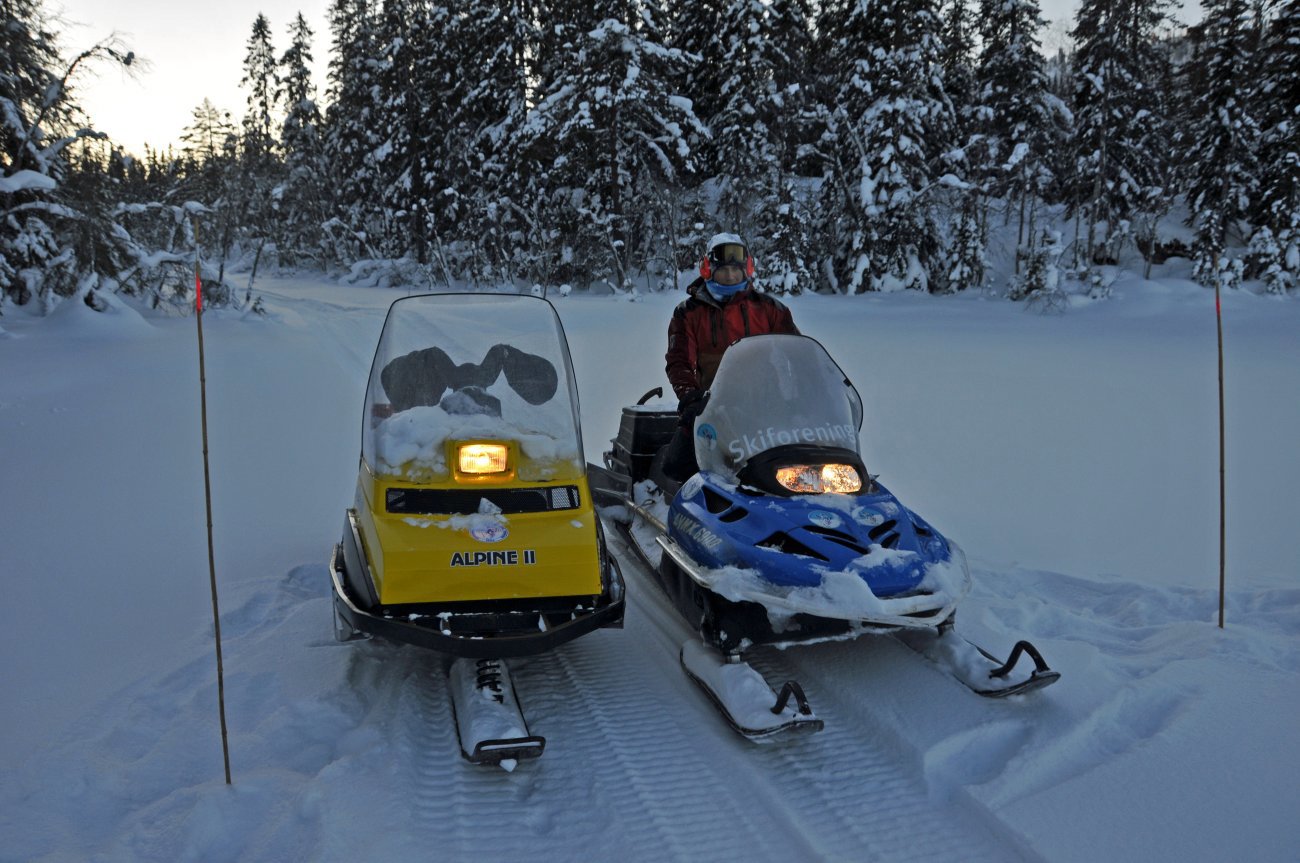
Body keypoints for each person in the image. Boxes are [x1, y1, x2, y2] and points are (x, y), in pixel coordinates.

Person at [659, 233, 799, 482]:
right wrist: (690, 397)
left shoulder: (769, 309)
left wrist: (804, 392)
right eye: (724, 270)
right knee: (675, 468)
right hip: (713, 408)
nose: (731, 276)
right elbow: (679, 360)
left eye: (736, 270)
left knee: (795, 467)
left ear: (747, 270)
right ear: (708, 269)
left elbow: (797, 353)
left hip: (765, 408)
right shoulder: (688, 313)